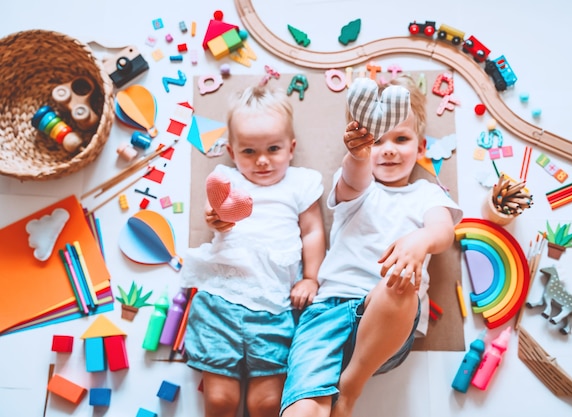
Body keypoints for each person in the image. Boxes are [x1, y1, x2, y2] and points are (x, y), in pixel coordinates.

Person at [281, 75, 463, 417]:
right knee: (301, 411)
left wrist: (420, 240)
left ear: (420, 147)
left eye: (402, 138)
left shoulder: (426, 193)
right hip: (326, 313)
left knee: (399, 281)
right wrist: (358, 154)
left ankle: (350, 389)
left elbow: (443, 233)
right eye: (377, 141)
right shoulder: (358, 184)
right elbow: (354, 176)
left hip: (387, 328)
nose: (389, 148)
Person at [182, 84, 326, 417]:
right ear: (232, 152)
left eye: (273, 149)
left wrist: (311, 278)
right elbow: (214, 210)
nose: (262, 161)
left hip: (274, 306)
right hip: (221, 298)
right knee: (220, 400)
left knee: (266, 404)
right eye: (249, 152)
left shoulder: (301, 183)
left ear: (291, 148)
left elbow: (313, 231)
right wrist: (216, 218)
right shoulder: (226, 179)